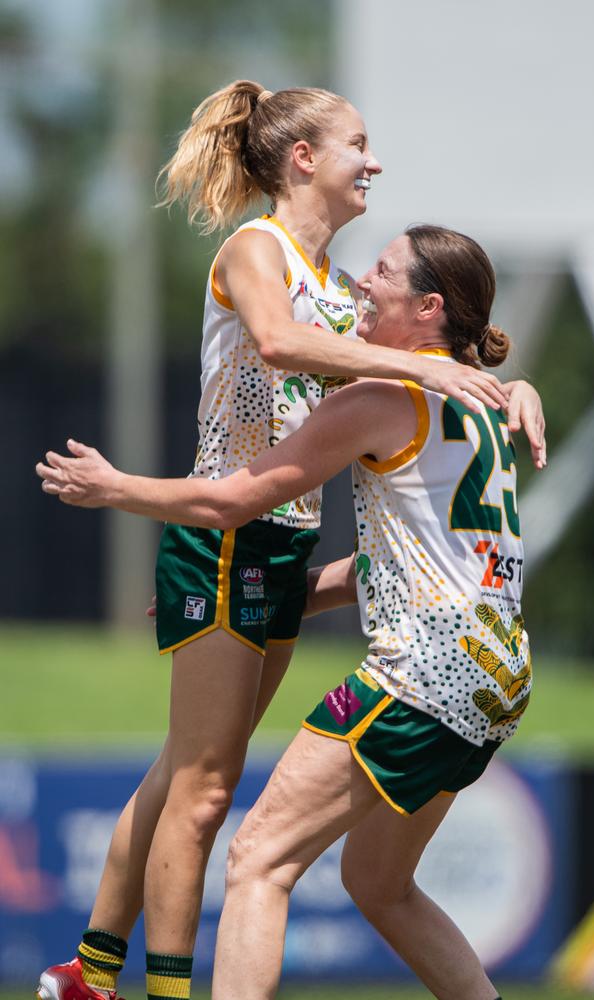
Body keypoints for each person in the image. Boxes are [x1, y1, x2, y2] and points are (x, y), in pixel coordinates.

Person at [38, 223, 534, 1000]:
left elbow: (236, 496)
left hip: (422, 679)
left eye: (384, 272)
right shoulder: (487, 402)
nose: (364, 283)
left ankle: (98, 973)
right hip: (497, 680)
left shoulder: (383, 395)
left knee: (258, 859)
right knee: (380, 885)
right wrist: (258, 598)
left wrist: (117, 488)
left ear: (428, 306)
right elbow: (386, 567)